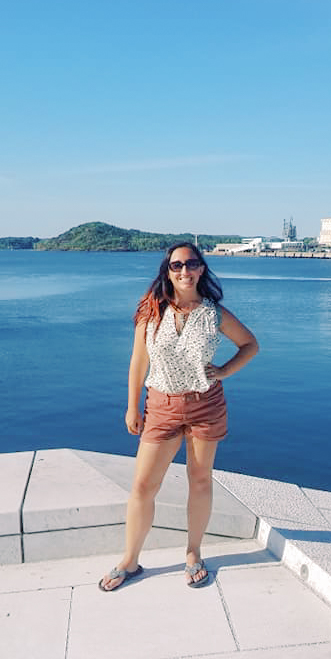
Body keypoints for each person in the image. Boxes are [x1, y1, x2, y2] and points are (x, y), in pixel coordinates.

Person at [98, 242, 259, 591]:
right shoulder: (151, 310)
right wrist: (132, 406)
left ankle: (193, 553)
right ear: (168, 271)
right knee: (143, 486)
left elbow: (250, 344)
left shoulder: (214, 314)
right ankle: (130, 560)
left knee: (200, 481)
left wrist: (225, 370)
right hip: (161, 406)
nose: (185, 271)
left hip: (205, 405)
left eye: (191, 264)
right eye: (177, 265)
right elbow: (138, 362)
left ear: (201, 269)